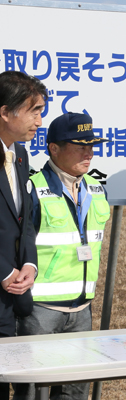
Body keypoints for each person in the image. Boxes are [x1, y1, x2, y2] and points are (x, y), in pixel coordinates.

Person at [13, 112, 111, 400]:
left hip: (82, 311)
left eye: (91, 145)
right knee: (32, 392)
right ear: (54, 148)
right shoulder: (32, 188)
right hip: (39, 313)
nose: (89, 152)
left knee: (74, 393)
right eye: (79, 145)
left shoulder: (95, 187)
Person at [0, 70, 47, 400]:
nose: (39, 122)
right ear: (4, 112)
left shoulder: (20, 155)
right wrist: (3, 272)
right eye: (33, 111)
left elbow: (25, 219)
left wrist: (29, 262)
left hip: (11, 301)